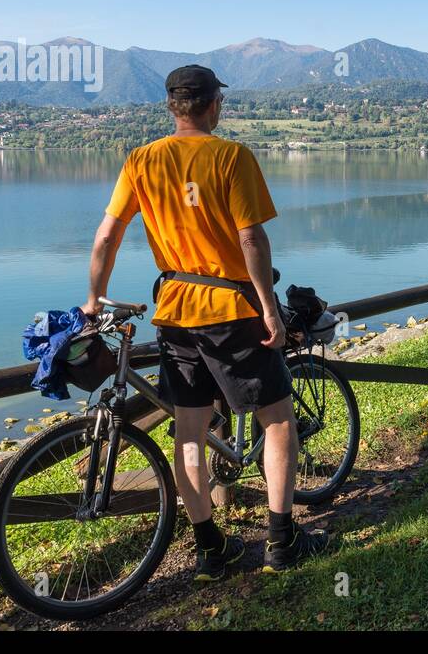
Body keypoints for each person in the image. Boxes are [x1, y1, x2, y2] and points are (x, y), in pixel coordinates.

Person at [82, 64, 327, 581]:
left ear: (173, 106)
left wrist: (94, 298)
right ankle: (282, 542)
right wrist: (267, 306)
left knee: (189, 434)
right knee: (278, 421)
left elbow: (106, 237)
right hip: (231, 313)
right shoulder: (231, 157)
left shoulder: (140, 160)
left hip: (173, 312)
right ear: (215, 104)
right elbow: (252, 240)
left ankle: (212, 549)